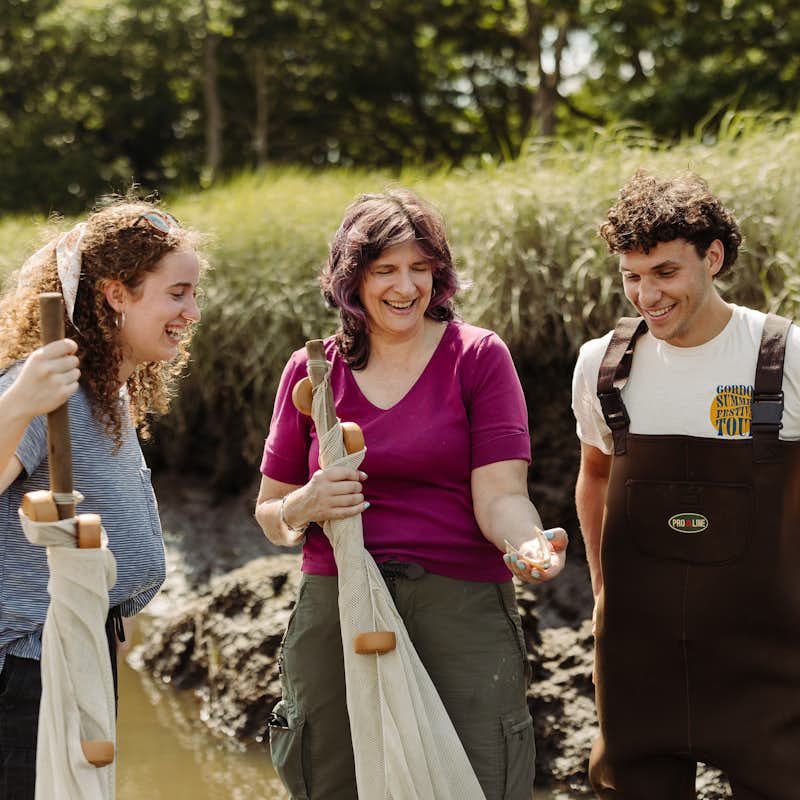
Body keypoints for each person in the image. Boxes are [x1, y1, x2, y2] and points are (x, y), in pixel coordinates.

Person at [254, 188, 568, 799]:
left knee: (481, 778)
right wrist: (306, 504)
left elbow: (501, 494)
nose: (406, 286)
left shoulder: (478, 357)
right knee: (329, 778)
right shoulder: (311, 369)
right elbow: (272, 512)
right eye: (385, 270)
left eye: (421, 269)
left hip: (460, 602)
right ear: (352, 279)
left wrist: (530, 544)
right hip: (337, 596)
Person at [572, 170, 800, 799]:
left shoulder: (785, 357)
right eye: (632, 277)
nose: (646, 295)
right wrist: (600, 591)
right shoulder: (603, 367)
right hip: (638, 663)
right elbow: (594, 477)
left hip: (769, 663)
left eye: (665, 273)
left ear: (714, 258)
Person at [0, 201, 204, 798]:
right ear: (117, 294)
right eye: (177, 293)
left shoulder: (104, 393)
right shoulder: (41, 387)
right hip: (28, 669)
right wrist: (19, 402)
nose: (191, 312)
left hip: (79, 651)